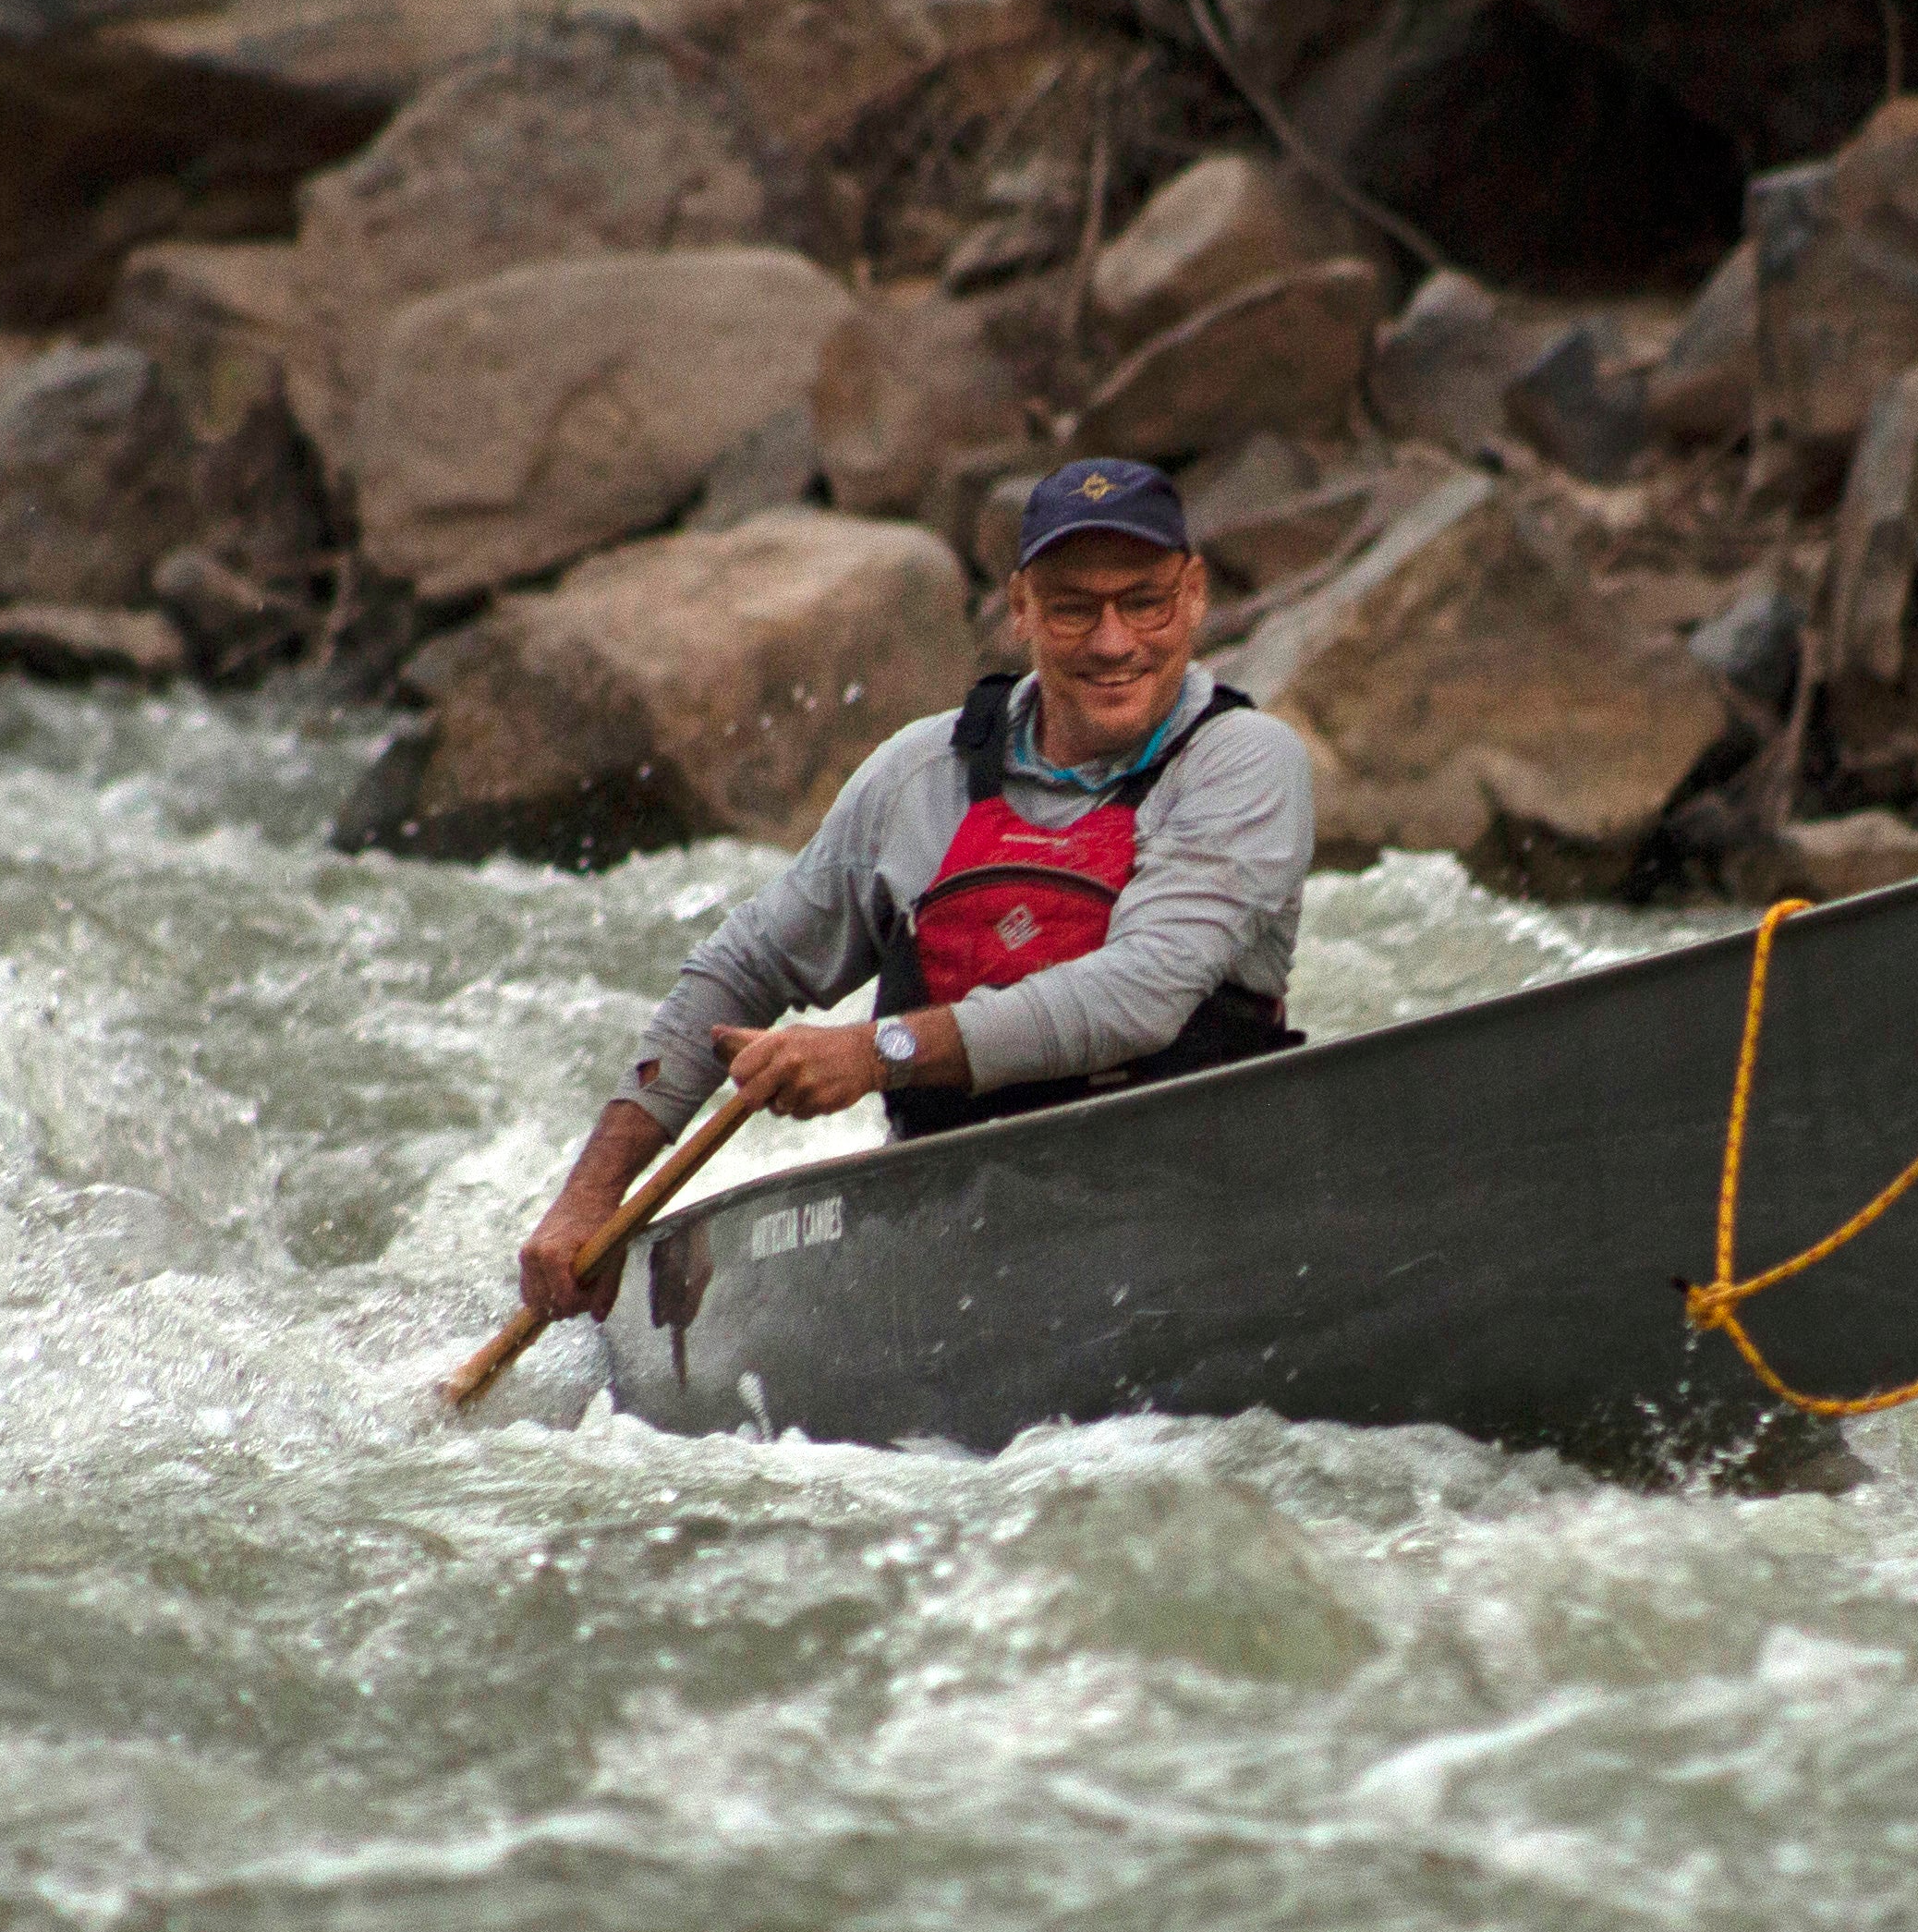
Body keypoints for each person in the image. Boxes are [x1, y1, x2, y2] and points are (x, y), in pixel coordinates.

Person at [511, 456, 1316, 1326]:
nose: (1113, 641)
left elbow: (1140, 995)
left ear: (1193, 594)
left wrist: (873, 1052)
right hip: (956, 1250)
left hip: (1186, 1217)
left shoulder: (1243, 763)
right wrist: (589, 1197)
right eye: (1073, 607)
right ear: (1020, 610)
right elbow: (736, 971)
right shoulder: (921, 772)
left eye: (1144, 602)